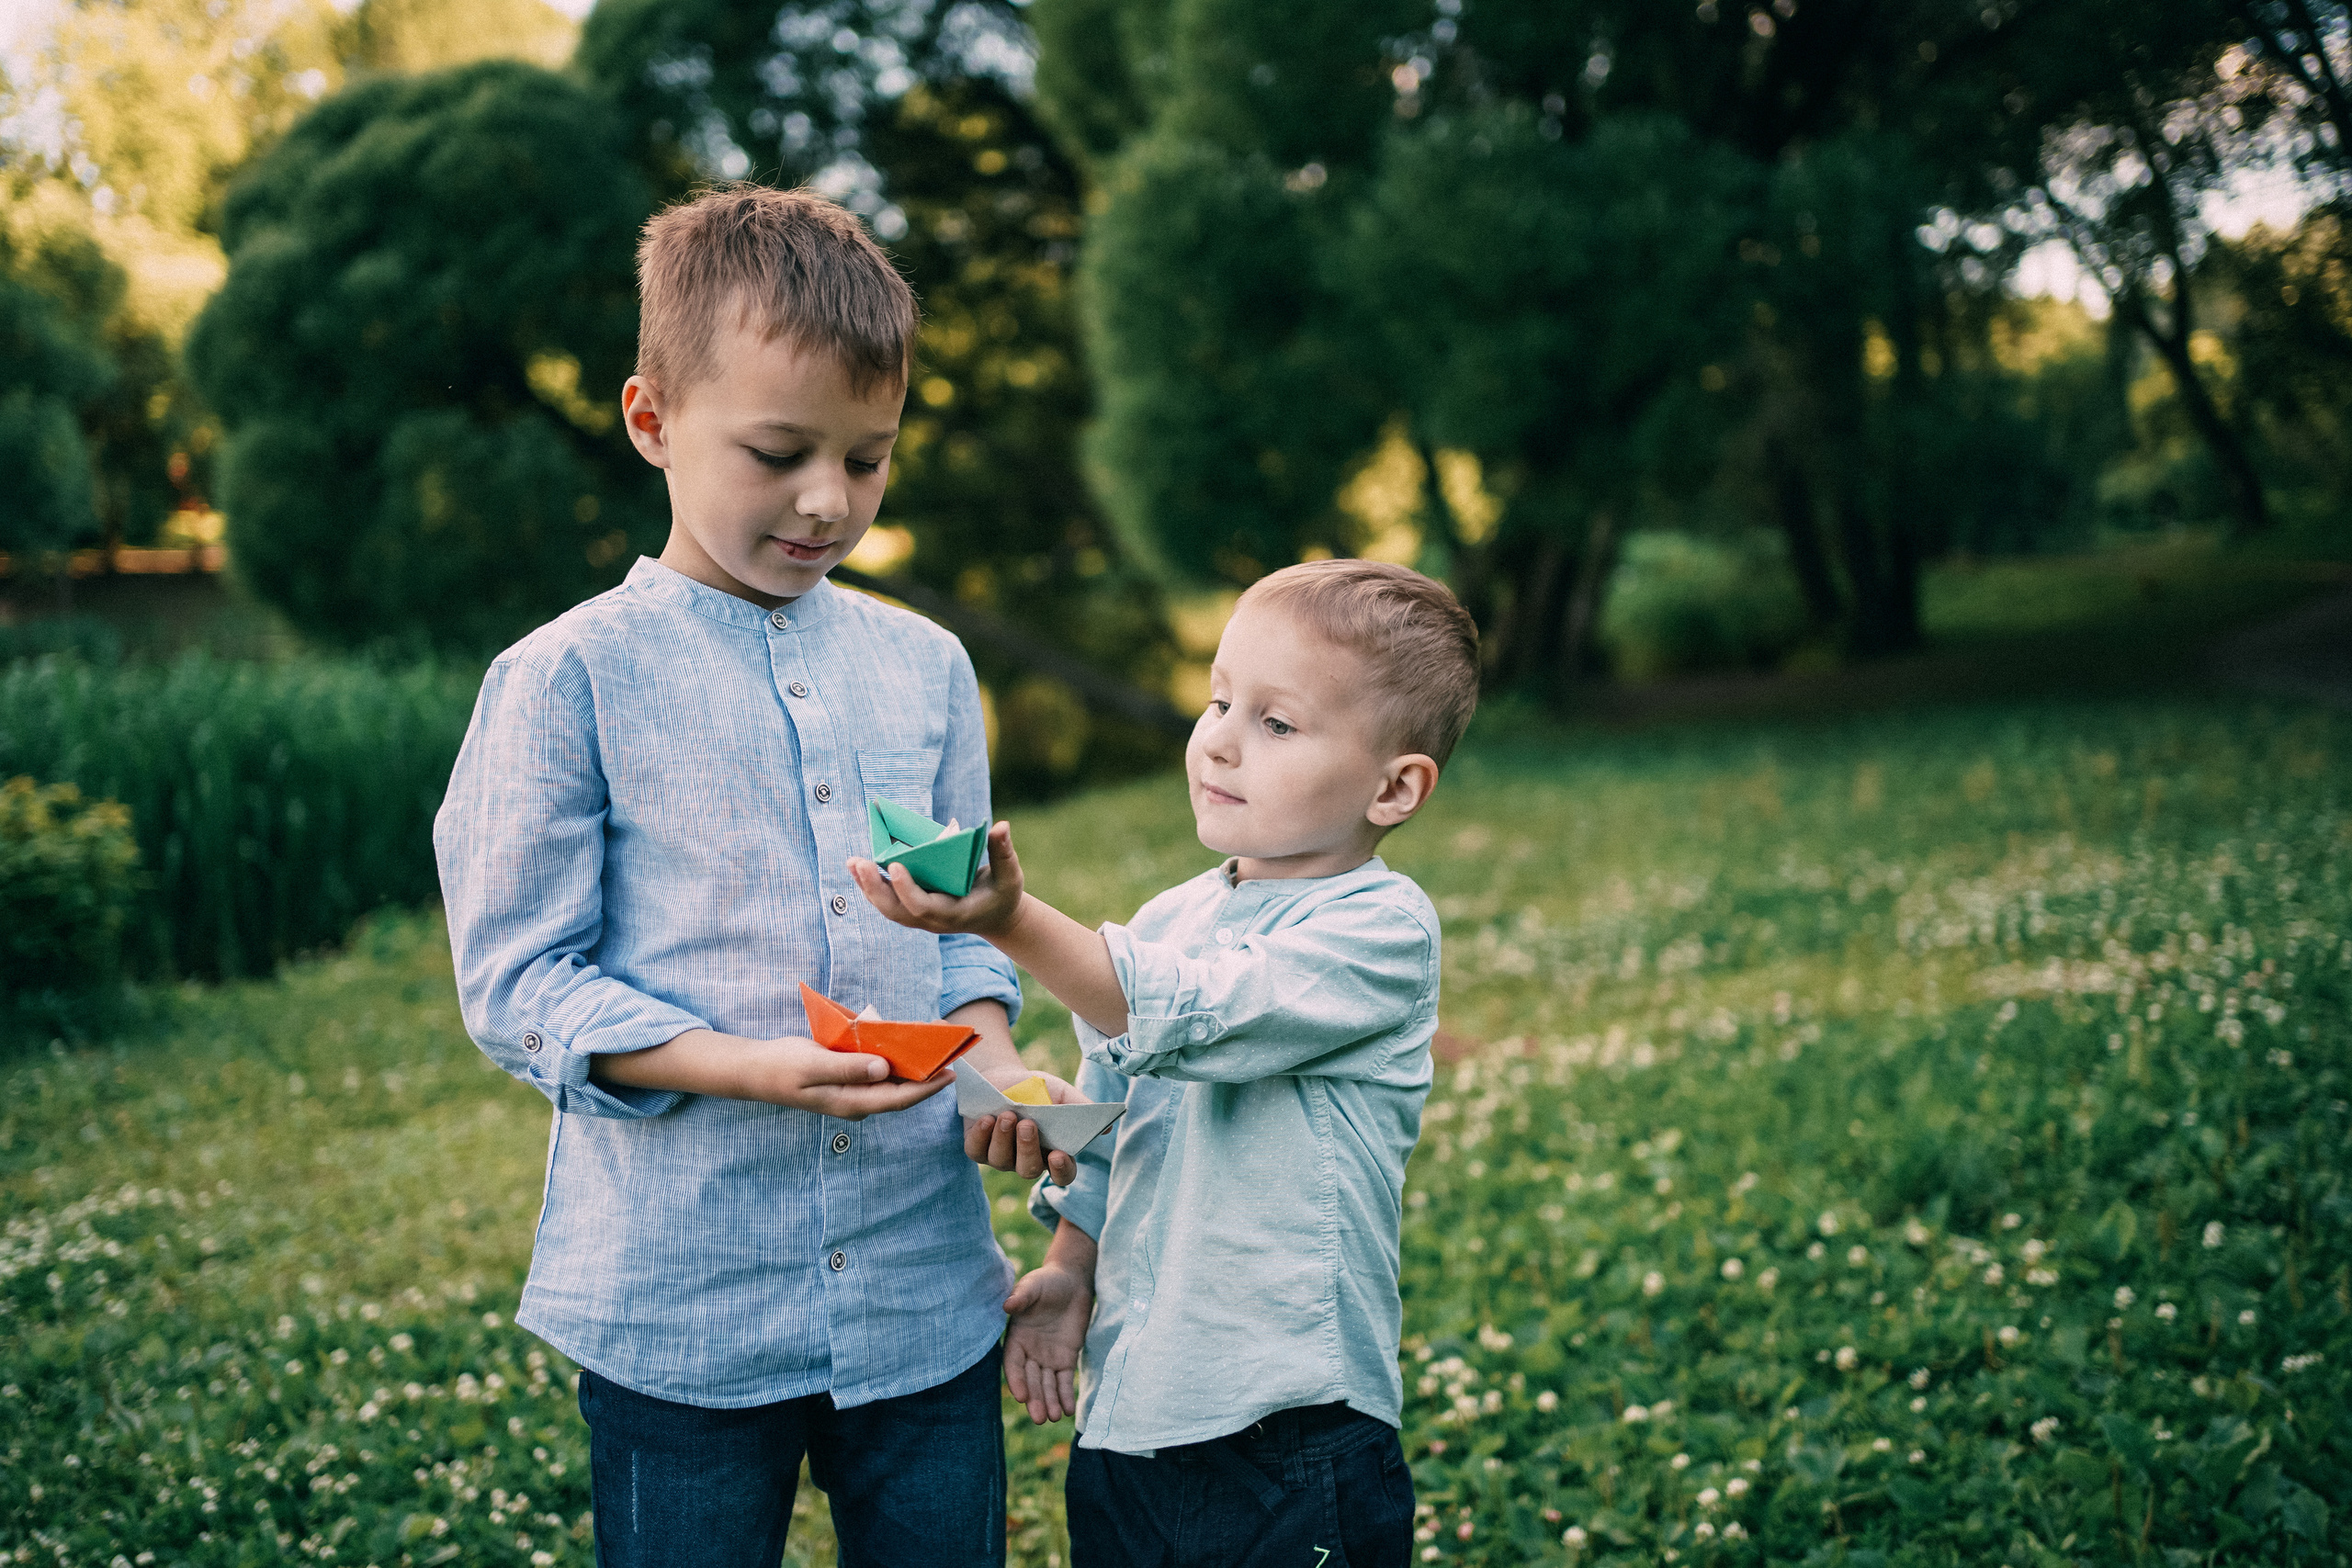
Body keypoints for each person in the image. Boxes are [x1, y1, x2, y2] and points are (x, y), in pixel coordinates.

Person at [434, 184, 1062, 1568]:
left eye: (869, 457)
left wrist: (999, 1061)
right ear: (653, 419)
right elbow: (519, 983)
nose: (828, 499)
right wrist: (752, 1064)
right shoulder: (567, 678)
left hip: (921, 1290)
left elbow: (964, 937)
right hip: (684, 1302)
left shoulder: (926, 669)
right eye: (778, 451)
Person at [854, 558, 1480, 1568]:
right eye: (1219, 700)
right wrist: (1069, 1264)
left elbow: (1192, 1015)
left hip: (1284, 1422)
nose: (1221, 741)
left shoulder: (1378, 931)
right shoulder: (1170, 919)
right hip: (1134, 1414)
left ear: (1394, 787)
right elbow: (1120, 1116)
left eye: (1276, 725)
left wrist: (1008, 917)